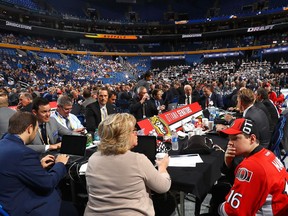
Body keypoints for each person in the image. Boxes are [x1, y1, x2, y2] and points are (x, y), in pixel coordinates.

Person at [84, 113, 171, 215]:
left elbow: (90, 190)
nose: (136, 133)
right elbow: (163, 187)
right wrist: (162, 167)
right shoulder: (138, 160)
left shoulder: (93, 159)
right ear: (123, 136)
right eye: (134, 131)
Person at [0, 111, 70, 216]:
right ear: (29, 129)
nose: (36, 133)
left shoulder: (3, 144)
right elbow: (48, 183)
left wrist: (39, 166)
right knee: (72, 208)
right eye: (36, 130)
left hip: (7, 203)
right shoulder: (24, 153)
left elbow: (13, 170)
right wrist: (59, 164)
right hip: (26, 208)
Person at [218, 118, 288, 216]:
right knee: (220, 189)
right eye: (229, 138)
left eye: (235, 138)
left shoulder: (251, 167)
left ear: (252, 139)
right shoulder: (267, 153)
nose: (230, 143)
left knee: (218, 198)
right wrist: (228, 163)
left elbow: (233, 212)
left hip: (271, 211)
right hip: (280, 208)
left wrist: (219, 208)